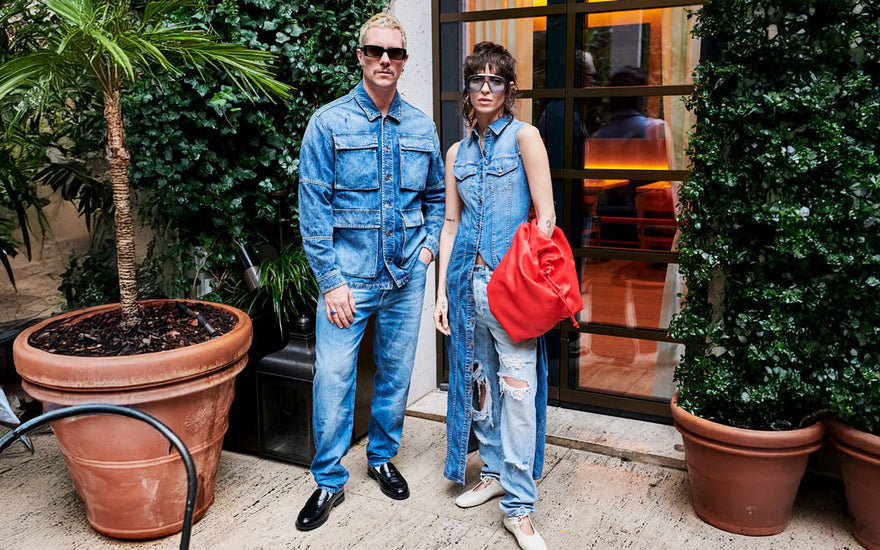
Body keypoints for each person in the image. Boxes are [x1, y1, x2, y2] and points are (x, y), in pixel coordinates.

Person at [296, 12, 445, 531]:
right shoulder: (328, 123)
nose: (386, 60)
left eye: (396, 53)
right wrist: (331, 282)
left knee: (396, 376)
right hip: (349, 282)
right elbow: (313, 209)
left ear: (404, 62)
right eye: (376, 51)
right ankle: (328, 481)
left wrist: (426, 252)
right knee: (334, 380)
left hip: (406, 279)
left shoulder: (421, 126)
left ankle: (381, 457)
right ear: (360, 56)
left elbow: (436, 197)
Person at [434, 42, 555, 550]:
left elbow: (546, 219)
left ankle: (520, 507)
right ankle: (493, 472)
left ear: (509, 90)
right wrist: (441, 292)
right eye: (478, 80)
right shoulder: (456, 154)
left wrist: (526, 282)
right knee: (478, 384)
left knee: (519, 394)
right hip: (465, 287)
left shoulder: (526, 138)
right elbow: (450, 223)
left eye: (496, 80)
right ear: (468, 88)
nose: (486, 89)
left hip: (510, 292)